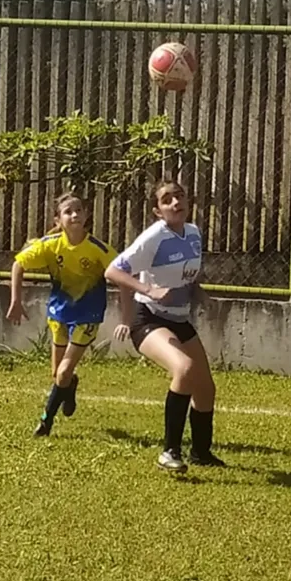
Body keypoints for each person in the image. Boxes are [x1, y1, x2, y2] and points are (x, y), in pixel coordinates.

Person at [105, 179, 225, 474]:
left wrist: (202, 296)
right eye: (167, 199)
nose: (175, 203)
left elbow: (187, 277)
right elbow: (113, 271)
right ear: (158, 210)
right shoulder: (154, 237)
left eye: (179, 197)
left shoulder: (193, 233)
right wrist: (148, 291)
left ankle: (201, 452)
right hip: (148, 318)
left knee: (205, 389)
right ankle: (169, 451)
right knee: (183, 368)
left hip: (179, 319)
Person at [7, 192, 120, 437]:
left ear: (87, 214)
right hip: (59, 312)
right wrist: (16, 300)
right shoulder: (50, 244)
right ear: (58, 219)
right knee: (58, 374)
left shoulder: (98, 249)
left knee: (64, 371)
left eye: (79, 210)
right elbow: (18, 264)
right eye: (68, 212)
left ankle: (45, 422)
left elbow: (122, 271)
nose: (75, 215)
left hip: (88, 315)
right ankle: (70, 387)